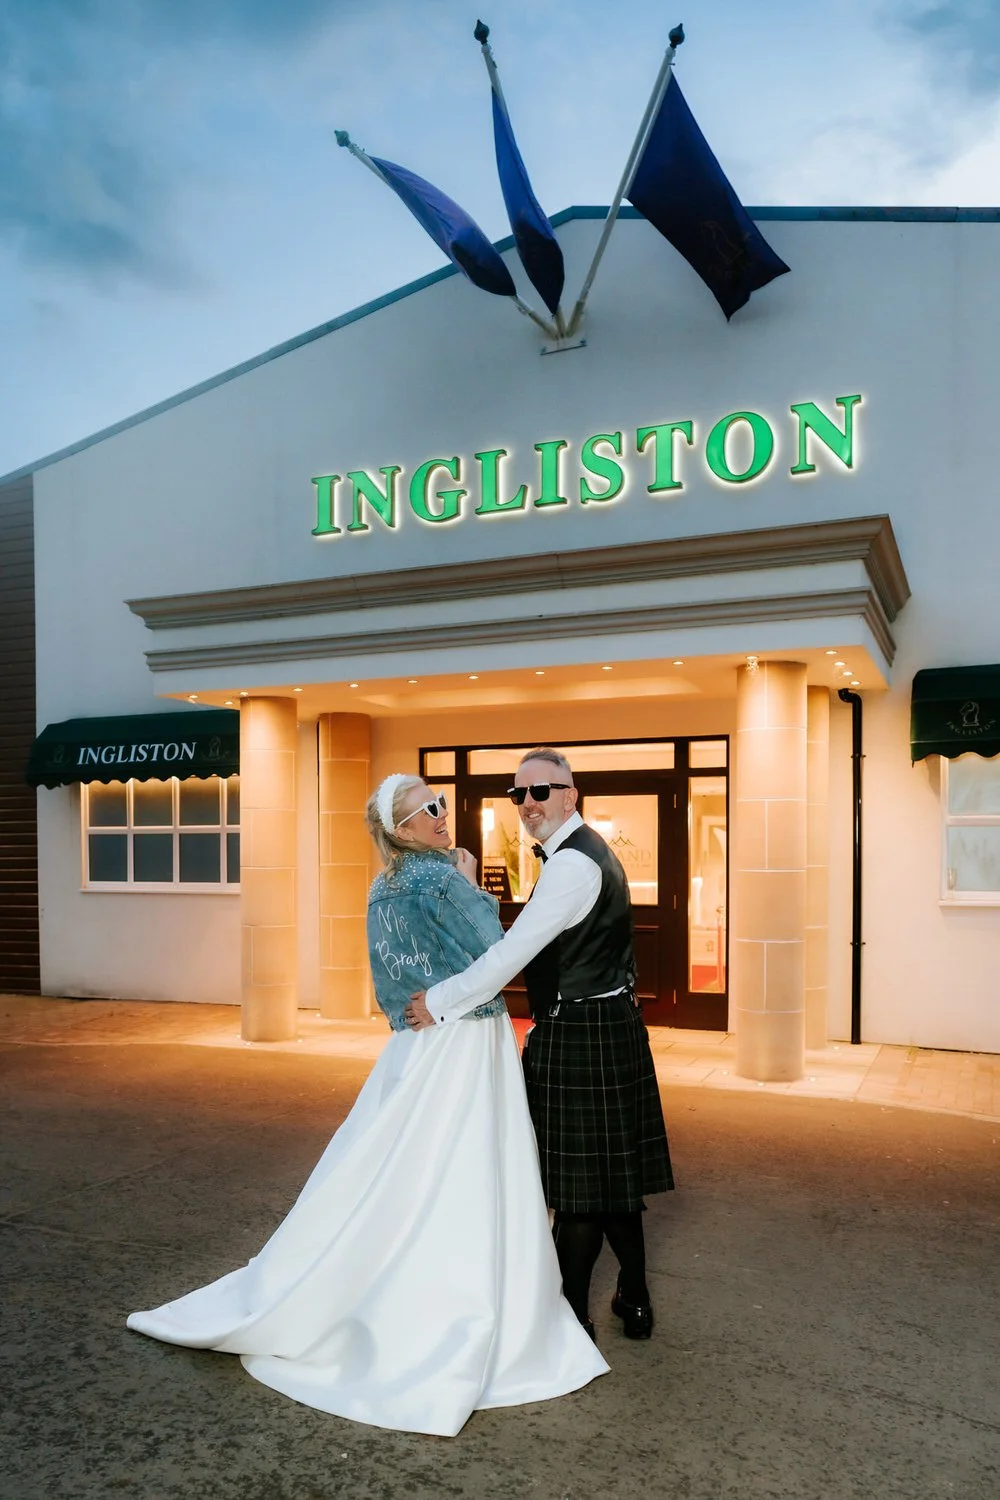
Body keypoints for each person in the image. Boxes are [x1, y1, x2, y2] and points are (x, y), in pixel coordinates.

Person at [127, 773, 607, 1438]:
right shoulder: (438, 878)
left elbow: (391, 973)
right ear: (401, 829)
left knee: (399, 1151)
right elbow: (493, 950)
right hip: (465, 1036)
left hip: (417, 1041)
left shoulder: (385, 883)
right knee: (466, 1159)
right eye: (425, 812)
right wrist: (470, 883)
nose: (441, 816)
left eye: (439, 804)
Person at [406, 748, 673, 1341]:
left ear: (571, 795)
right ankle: (634, 1297)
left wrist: (439, 1001)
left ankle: (568, 1319)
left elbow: (509, 954)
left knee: (578, 1190)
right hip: (605, 1027)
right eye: (519, 795)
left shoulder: (572, 866)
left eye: (542, 791)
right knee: (611, 1185)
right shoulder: (581, 852)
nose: (528, 804)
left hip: (583, 1032)